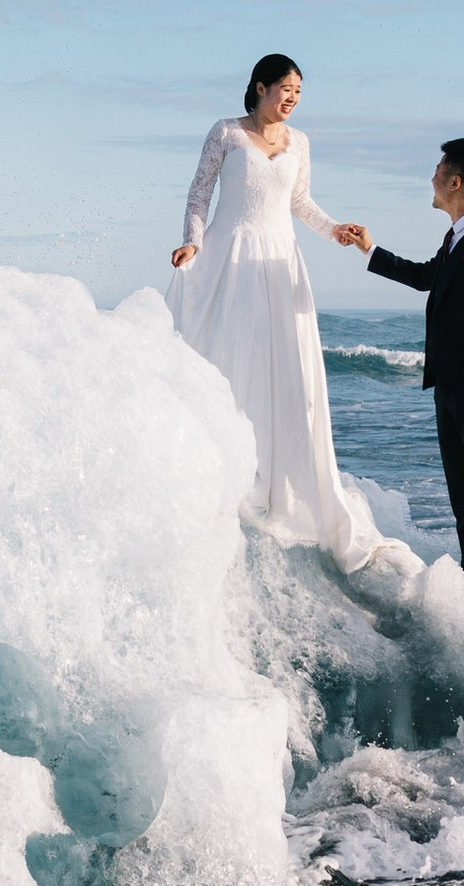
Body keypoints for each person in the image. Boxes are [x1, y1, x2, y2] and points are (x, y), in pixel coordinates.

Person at [169, 55, 402, 572]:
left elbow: (300, 201)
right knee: (232, 359)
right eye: (285, 88)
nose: (292, 98)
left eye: (299, 90)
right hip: (231, 255)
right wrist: (192, 242)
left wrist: (334, 228)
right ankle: (226, 470)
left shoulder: (301, 142)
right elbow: (199, 194)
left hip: (279, 262)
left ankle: (281, 479)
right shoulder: (226, 133)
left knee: (286, 371)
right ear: (260, 87)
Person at [344, 139, 464, 624]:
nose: (431, 178)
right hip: (451, 385)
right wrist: (370, 250)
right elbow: (428, 276)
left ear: (454, 181)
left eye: (437, 170)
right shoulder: (457, 236)